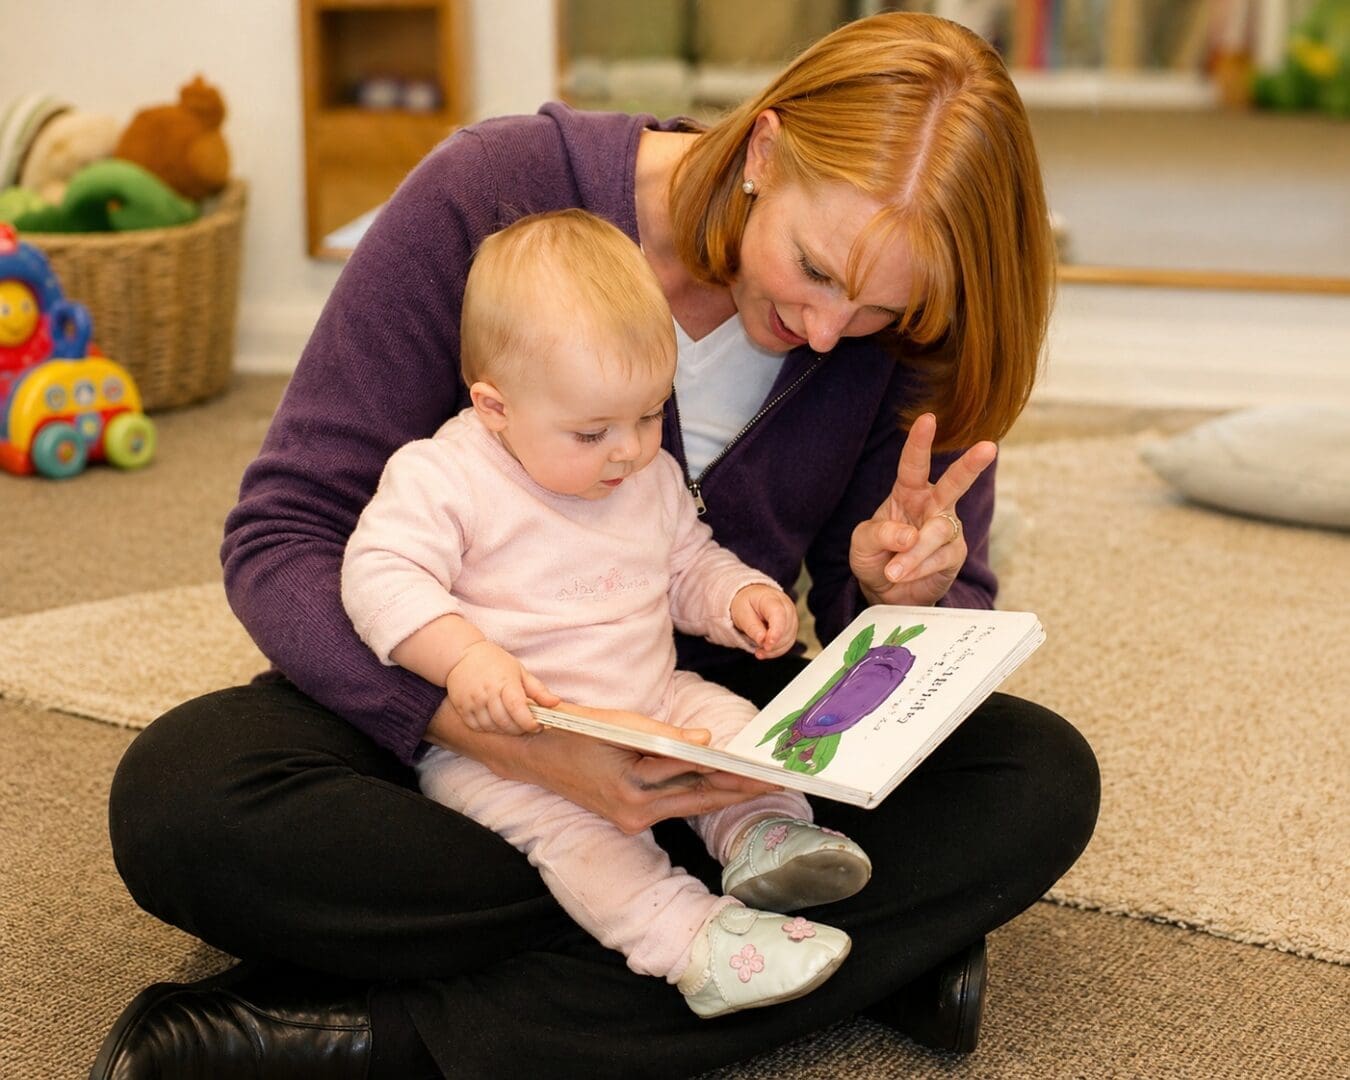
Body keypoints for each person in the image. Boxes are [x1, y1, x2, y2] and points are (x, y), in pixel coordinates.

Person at [94, 11, 1099, 1079]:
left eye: (872, 312)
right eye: (812, 269)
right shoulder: (495, 194)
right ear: (762, 150)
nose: (823, 331)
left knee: (1032, 778)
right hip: (467, 727)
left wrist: (897, 594)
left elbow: (907, 684)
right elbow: (284, 535)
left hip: (702, 741)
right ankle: (848, 953)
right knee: (185, 800)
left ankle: (360, 1039)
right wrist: (515, 739)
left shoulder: (900, 325)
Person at [342, 208, 870, 1019]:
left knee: (743, 740)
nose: (628, 450)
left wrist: (737, 597)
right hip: (514, 746)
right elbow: (378, 574)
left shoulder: (642, 471)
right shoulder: (445, 475)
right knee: (588, 849)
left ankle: (766, 840)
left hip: (654, 699)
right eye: (592, 431)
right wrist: (462, 659)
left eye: (651, 414)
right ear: (494, 408)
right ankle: (693, 942)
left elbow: (686, 560)